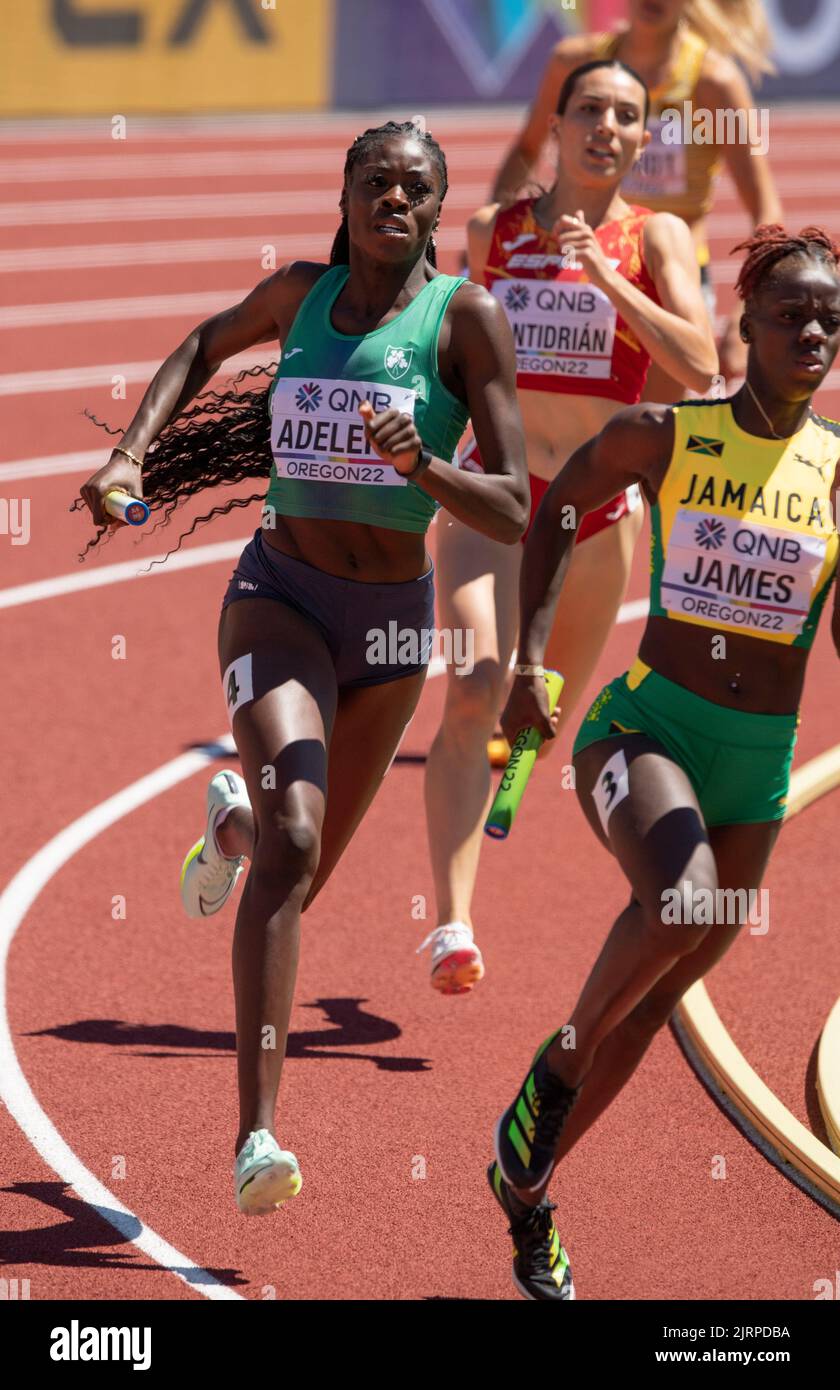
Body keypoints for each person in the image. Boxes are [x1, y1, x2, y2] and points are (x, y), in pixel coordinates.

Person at [79, 120, 529, 1216]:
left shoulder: (463, 318)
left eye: (415, 188)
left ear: (436, 207)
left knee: (298, 866)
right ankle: (256, 1136)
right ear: (347, 190)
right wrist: (128, 449)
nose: (393, 199)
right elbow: (202, 344)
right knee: (296, 843)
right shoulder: (298, 295)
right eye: (375, 181)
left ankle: (227, 828)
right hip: (277, 599)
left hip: (387, 628)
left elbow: (514, 507)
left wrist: (422, 463)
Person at [489, 224, 840, 1300]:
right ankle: (554, 1064)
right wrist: (528, 660)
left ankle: (528, 1197)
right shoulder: (667, 434)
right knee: (680, 904)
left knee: (661, 997)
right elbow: (554, 506)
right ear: (746, 326)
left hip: (759, 772)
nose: (814, 331)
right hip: (647, 730)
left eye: (831, 317)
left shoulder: (836, 470)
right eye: (790, 314)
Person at [419, 60, 716, 995]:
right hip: (497, 494)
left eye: (627, 117)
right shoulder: (490, 233)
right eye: (590, 109)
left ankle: (518, 761)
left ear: (641, 139)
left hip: (595, 517)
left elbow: (701, 363)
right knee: (474, 683)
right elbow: (452, 362)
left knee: (538, 708)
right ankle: (452, 923)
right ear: (559, 122)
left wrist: (607, 280)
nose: (607, 128)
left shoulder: (654, 235)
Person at [490, 0, 781, 394]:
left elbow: (765, 207)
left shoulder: (713, 83)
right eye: (593, 110)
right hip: (578, 264)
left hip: (669, 278)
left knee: (655, 428)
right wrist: (495, 236)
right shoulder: (575, 65)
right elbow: (527, 149)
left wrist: (748, 309)